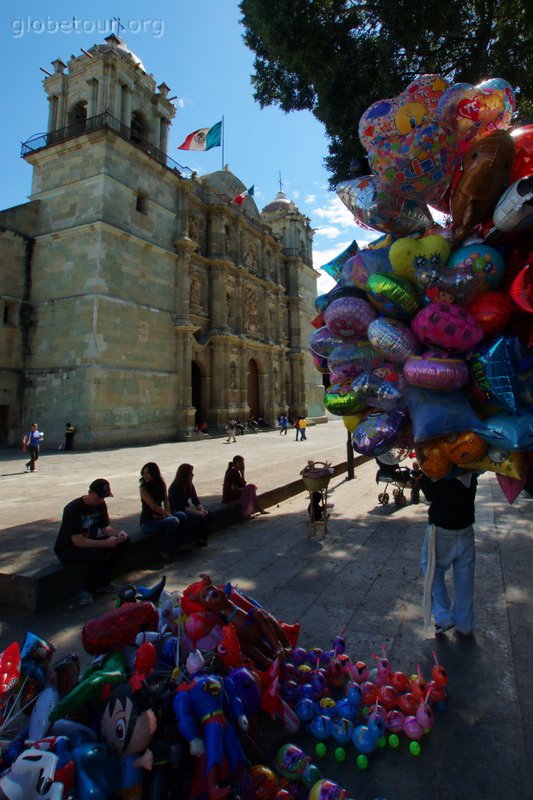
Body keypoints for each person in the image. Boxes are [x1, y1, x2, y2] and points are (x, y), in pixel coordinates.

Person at [420, 471, 479, 637]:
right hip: (466, 528)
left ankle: (444, 616)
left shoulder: (438, 463)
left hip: (441, 529)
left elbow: (430, 493)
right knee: (465, 578)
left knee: (430, 568)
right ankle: (465, 623)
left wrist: (421, 472)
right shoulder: (472, 463)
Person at [53, 478, 129, 606]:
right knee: (97, 553)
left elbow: (106, 528)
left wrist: (118, 535)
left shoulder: (100, 505)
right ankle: (87, 591)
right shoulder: (73, 509)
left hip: (89, 542)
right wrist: (104, 544)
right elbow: (76, 540)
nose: (101, 500)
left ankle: (104, 581)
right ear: (91, 493)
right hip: (68, 549)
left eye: (103, 497)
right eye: (99, 497)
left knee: (123, 543)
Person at [139, 462, 190, 562]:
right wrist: (167, 515)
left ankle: (182, 543)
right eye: (143, 473)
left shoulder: (161, 484)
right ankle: (164, 550)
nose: (145, 476)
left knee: (181, 515)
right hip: (148, 522)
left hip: (160, 517)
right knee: (173, 521)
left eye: (148, 473)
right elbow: (153, 506)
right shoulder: (143, 488)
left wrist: (168, 513)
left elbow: (166, 500)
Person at [168, 463, 211, 546]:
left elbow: (196, 501)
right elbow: (180, 507)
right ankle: (190, 540)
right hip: (176, 511)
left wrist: (202, 511)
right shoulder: (174, 488)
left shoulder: (190, 485)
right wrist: (198, 513)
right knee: (195, 518)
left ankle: (200, 537)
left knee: (208, 515)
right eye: (191, 473)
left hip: (185, 509)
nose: (193, 475)